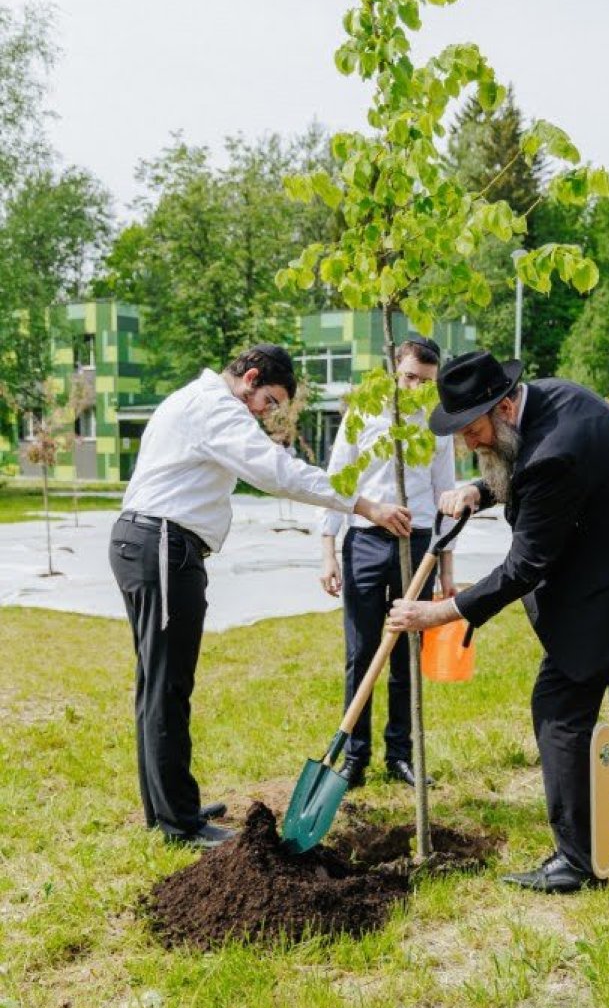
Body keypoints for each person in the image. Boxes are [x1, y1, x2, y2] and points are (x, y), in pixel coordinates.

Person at [388, 350, 609, 892]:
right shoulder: (551, 398)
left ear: (503, 407)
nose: (468, 444)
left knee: (559, 706)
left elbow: (525, 565)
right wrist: (480, 490)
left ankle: (577, 861)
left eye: (473, 430)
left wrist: (440, 612)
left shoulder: (556, 452)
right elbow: (525, 475)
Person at [109, 344, 411, 849]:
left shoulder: (195, 400)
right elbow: (277, 473)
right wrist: (363, 505)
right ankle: (177, 823)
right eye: (269, 401)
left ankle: (167, 808)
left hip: (151, 544)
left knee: (157, 684)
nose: (266, 414)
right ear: (250, 378)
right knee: (166, 687)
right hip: (161, 546)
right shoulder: (217, 408)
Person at [320, 336, 456, 789]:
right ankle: (354, 757)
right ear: (394, 370)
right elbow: (337, 482)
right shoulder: (364, 413)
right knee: (360, 653)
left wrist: (447, 570)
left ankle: (400, 754)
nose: (417, 388)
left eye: (426, 382)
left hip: (416, 547)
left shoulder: (437, 425)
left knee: (405, 655)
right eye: (410, 377)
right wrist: (328, 550)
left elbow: (446, 498)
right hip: (364, 542)